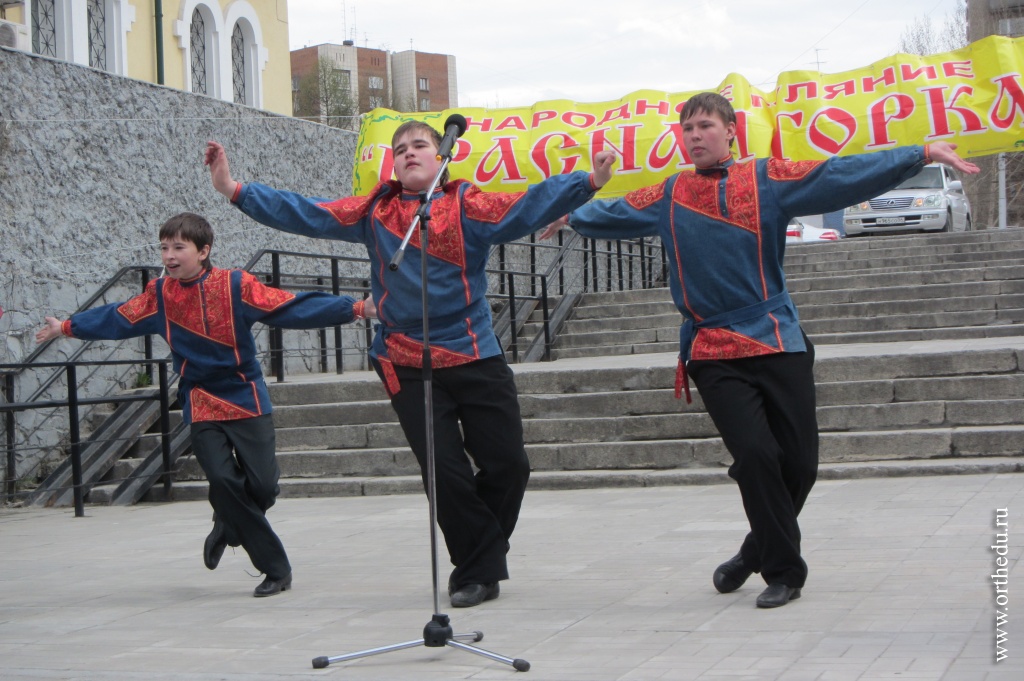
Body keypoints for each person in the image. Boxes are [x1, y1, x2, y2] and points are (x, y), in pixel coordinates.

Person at [545, 92, 979, 608]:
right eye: (687, 128)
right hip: (712, 349)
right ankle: (784, 572)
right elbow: (612, 213)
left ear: (731, 130)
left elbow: (837, 175)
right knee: (755, 456)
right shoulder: (669, 193)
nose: (694, 135)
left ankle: (754, 552)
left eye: (705, 125)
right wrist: (569, 214)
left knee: (801, 465)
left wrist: (918, 154)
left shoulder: (767, 178)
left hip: (776, 338)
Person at [204, 126, 614, 607]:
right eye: (399, 151)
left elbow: (526, 204)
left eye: (419, 146)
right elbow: (308, 212)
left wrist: (588, 181)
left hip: (473, 350)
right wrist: (233, 189)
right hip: (405, 359)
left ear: (441, 155)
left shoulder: (468, 205)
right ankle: (477, 571)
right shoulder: (375, 211)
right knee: (444, 471)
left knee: (510, 465)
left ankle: (480, 557)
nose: (408, 154)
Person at [36, 212, 373, 598]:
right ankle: (276, 569)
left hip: (245, 393)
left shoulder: (235, 285)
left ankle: (227, 523)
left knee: (265, 488)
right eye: (164, 247)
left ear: (203, 251)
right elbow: (117, 318)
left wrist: (354, 308)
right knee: (224, 481)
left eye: (178, 247)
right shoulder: (159, 295)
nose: (169, 255)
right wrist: (67, 327)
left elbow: (289, 306)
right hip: (201, 398)